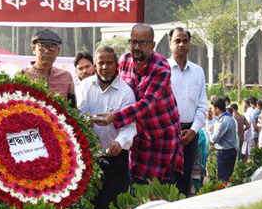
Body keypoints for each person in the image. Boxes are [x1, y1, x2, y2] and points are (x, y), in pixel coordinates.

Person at [95, 24, 183, 185]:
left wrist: (115, 117)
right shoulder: (124, 60)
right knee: (136, 185)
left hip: (161, 134)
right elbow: (114, 87)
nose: (136, 47)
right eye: (133, 42)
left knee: (159, 189)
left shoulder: (161, 68)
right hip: (137, 134)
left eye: (142, 43)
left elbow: (147, 103)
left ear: (152, 45)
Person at [76, 46, 136, 209]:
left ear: (116, 65)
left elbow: (130, 126)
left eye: (109, 63)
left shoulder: (126, 92)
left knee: (114, 208)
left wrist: (119, 142)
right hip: (90, 158)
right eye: (100, 63)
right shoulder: (84, 87)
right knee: (90, 208)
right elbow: (79, 116)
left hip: (116, 158)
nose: (105, 67)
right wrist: (84, 121)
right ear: (95, 65)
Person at [167, 27, 208, 197]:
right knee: (167, 178)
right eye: (177, 41)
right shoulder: (163, 69)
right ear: (170, 44)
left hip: (190, 133)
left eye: (185, 40)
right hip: (168, 132)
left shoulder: (198, 71)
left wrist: (193, 131)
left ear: (189, 44)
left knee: (186, 178)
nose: (181, 44)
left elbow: (202, 106)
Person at [22, 29, 76, 106]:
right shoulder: (23, 76)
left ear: (58, 51)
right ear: (34, 49)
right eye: (42, 46)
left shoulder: (66, 77)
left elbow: (73, 110)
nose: (47, 51)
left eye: (52, 47)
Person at [209, 97, 238, 182]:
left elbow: (214, 139)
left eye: (213, 108)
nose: (212, 111)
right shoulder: (229, 119)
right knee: (228, 176)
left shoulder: (223, 122)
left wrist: (210, 131)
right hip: (230, 151)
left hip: (225, 153)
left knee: (223, 177)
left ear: (217, 109)